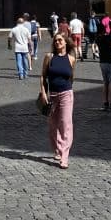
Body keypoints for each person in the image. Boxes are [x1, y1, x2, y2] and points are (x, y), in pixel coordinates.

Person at [39, 31, 76, 168]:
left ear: (66, 42)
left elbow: (72, 77)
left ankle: (64, 157)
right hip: (52, 95)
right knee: (52, 126)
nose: (57, 42)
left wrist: (68, 89)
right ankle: (58, 149)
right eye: (55, 41)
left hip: (66, 94)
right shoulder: (49, 57)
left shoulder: (71, 59)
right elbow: (43, 76)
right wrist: (43, 92)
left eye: (60, 40)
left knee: (65, 124)